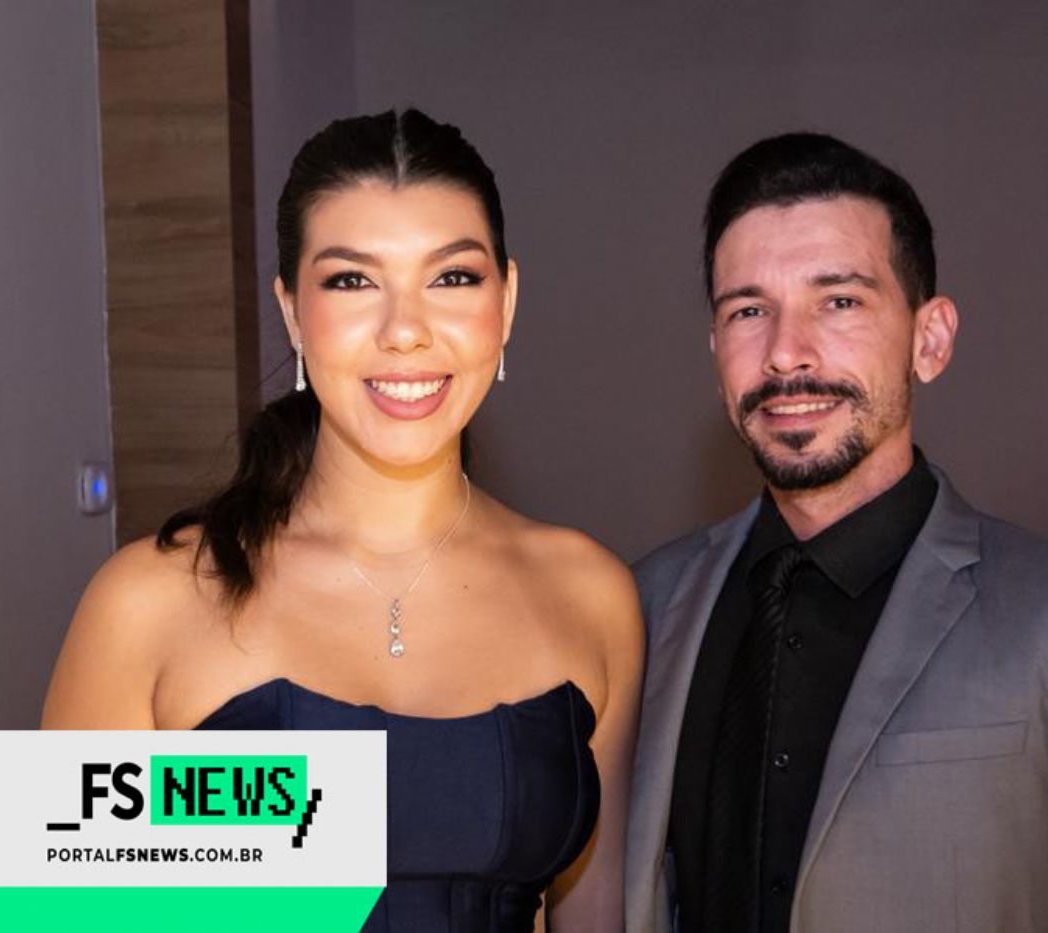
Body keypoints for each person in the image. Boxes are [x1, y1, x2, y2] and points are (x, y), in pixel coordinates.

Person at [625, 132, 1048, 932]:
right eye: (749, 310)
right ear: (716, 351)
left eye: (839, 301)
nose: (785, 352)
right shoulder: (646, 603)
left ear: (931, 339)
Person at [42, 109, 642, 933]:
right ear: (292, 313)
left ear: (506, 303)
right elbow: (40, 910)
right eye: (352, 281)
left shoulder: (592, 595)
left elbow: (592, 912)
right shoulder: (149, 599)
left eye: (452, 277)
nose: (405, 331)